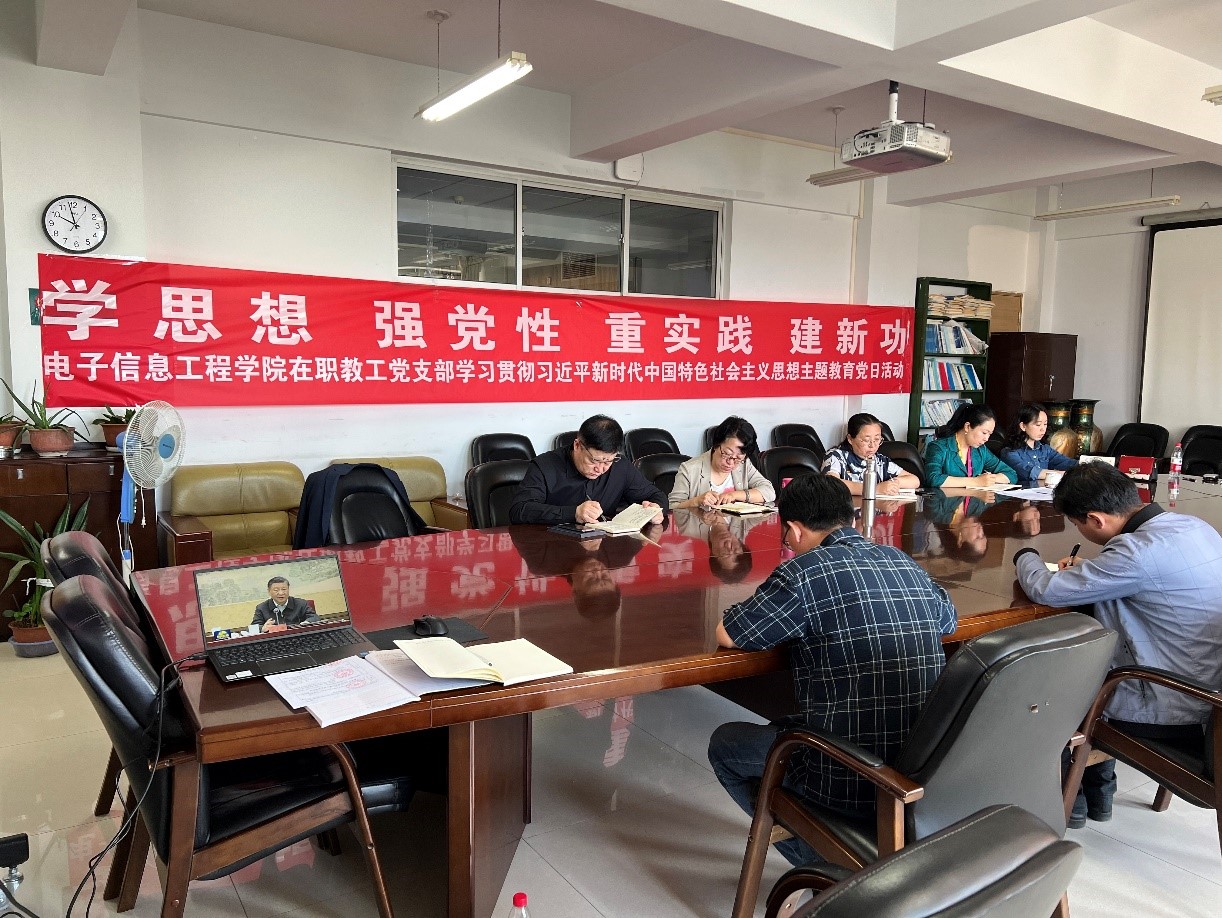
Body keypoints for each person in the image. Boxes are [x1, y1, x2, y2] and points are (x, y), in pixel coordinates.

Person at [707, 475, 958, 865]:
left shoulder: (802, 573)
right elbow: (948, 620)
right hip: (919, 769)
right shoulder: (901, 561)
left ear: (794, 529)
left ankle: (827, 866)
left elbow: (730, 633)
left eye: (787, 537)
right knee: (788, 723)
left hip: (847, 776)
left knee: (726, 745)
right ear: (852, 518)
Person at [1013, 462, 1222, 827]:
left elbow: (1044, 589)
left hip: (1175, 708)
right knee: (1096, 656)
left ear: (1095, 520)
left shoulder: (1135, 554)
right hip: (1209, 694)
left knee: (1044, 682)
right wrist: (1093, 570)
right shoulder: (1194, 527)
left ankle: (1067, 799)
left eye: (1077, 524)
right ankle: (1099, 794)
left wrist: (1025, 555)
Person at [509, 414, 667, 525]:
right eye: (594, 460)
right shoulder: (545, 466)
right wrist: (573, 513)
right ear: (577, 445)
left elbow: (656, 495)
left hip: (605, 549)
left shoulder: (621, 466)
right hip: (553, 548)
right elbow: (519, 510)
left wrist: (655, 509)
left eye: (608, 461)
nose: (600, 469)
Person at [669, 416, 774, 509]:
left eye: (738, 458)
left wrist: (734, 495)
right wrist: (696, 501)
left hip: (734, 525)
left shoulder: (744, 464)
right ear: (716, 445)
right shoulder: (689, 470)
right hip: (703, 525)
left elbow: (769, 491)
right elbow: (672, 507)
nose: (731, 463)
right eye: (727, 454)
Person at [822, 413, 920, 496]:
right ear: (850, 439)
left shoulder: (880, 461)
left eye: (877, 439)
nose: (872, 445)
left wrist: (893, 483)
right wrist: (874, 489)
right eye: (866, 440)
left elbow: (914, 480)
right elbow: (831, 484)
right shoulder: (835, 456)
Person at [922, 404, 1017, 488]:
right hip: (945, 501)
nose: (987, 439)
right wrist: (976, 481)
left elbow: (1011, 474)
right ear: (967, 426)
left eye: (989, 434)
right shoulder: (938, 447)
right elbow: (933, 479)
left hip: (973, 500)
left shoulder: (981, 450)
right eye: (984, 433)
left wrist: (990, 479)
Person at [999, 403, 1077, 486]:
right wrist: (1061, 474)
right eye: (1038, 425)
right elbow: (1028, 471)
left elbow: (1067, 462)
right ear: (1023, 426)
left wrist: (1085, 462)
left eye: (1045, 424)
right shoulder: (1009, 452)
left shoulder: (1044, 449)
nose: (1043, 429)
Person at [250, 576, 320, 631]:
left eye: (284, 589)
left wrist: (306, 623)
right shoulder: (261, 608)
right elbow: (253, 628)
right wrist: (262, 628)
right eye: (276, 590)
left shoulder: (301, 603)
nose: (281, 593)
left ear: (288, 589)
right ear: (269, 591)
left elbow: (314, 617)